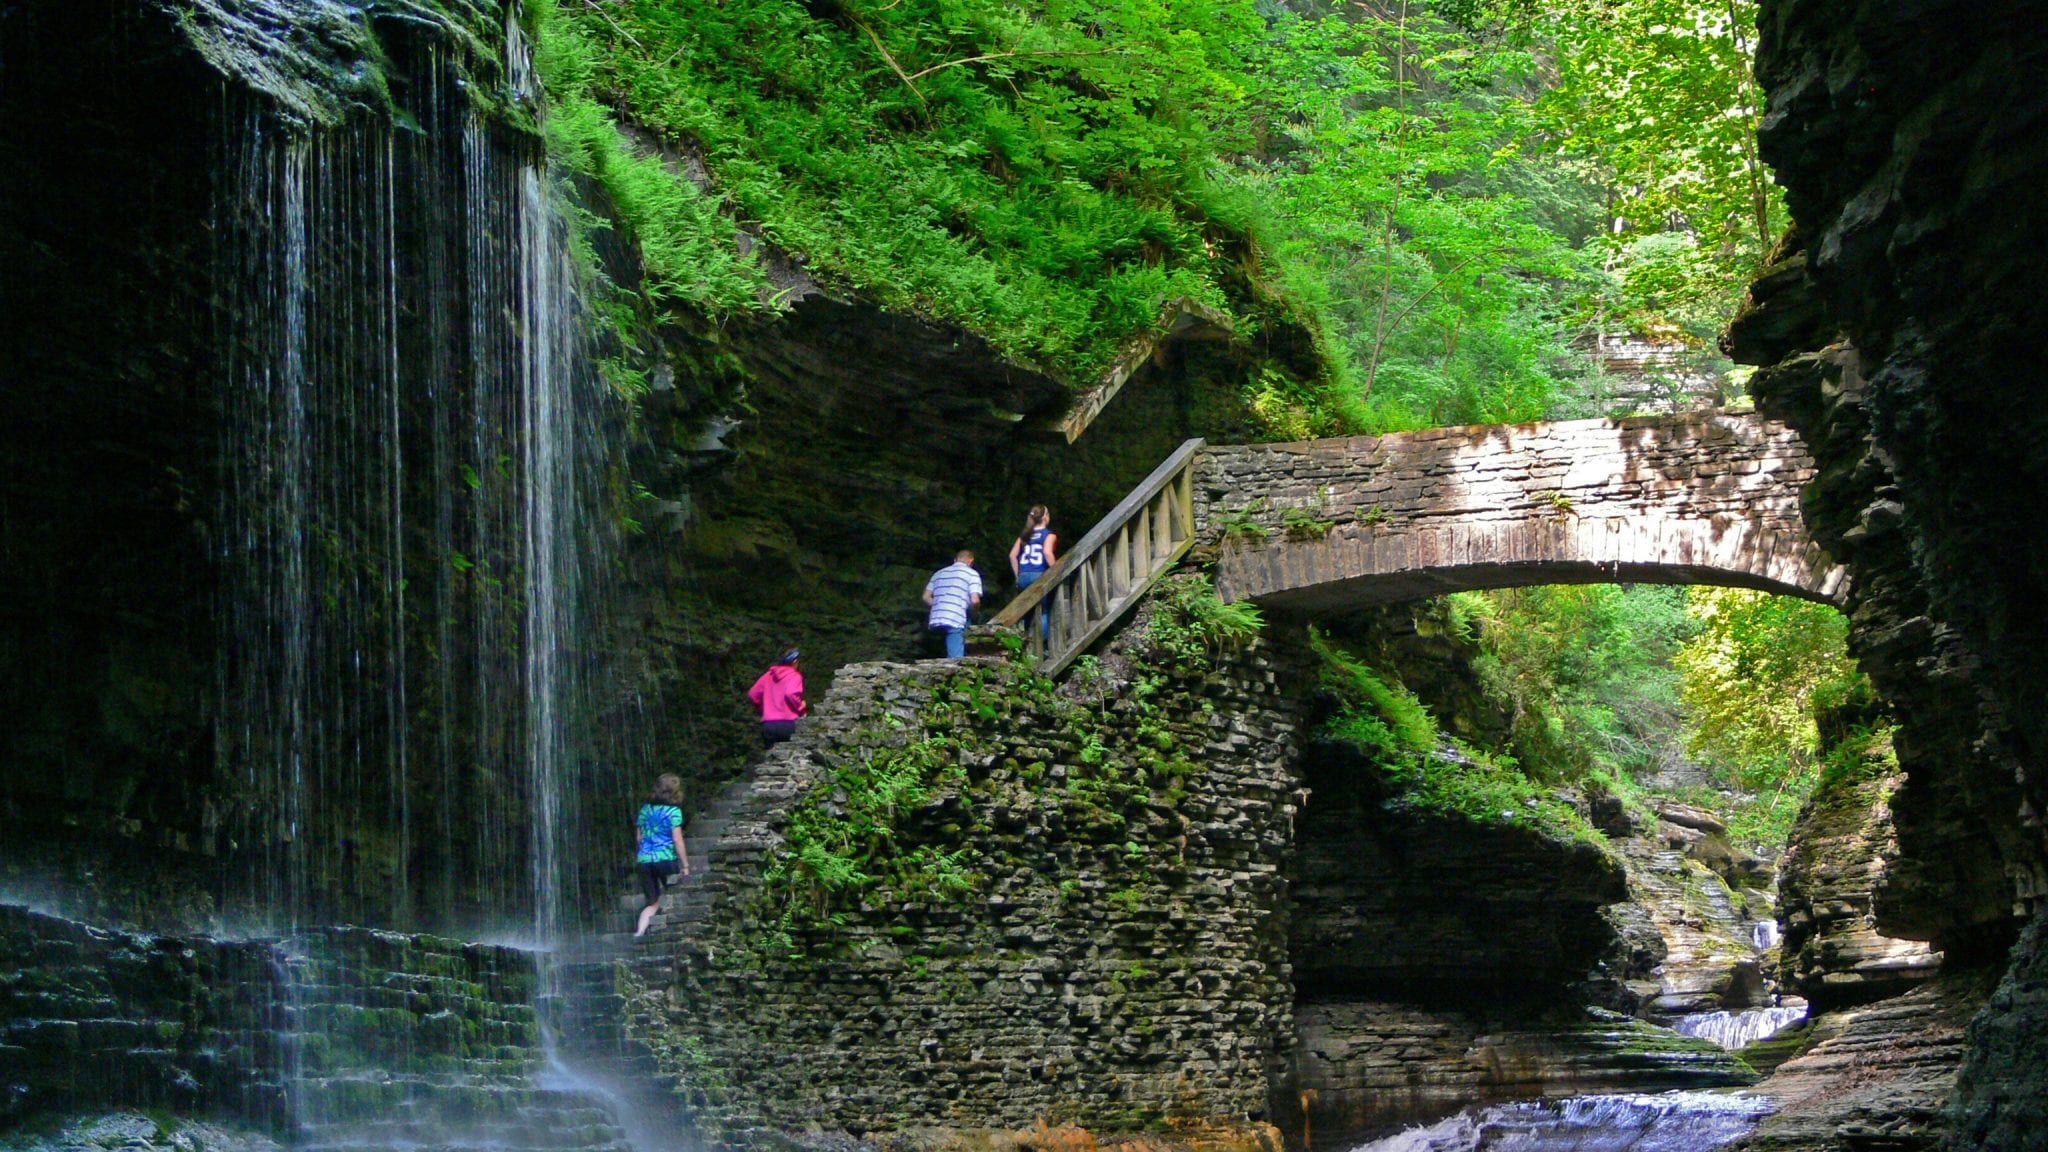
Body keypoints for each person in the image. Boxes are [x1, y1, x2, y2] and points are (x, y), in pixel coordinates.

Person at [633, 774, 689, 937]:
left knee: (652, 902)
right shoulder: (673, 812)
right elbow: (677, 839)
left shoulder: (644, 810)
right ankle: (673, 931)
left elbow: (639, 838)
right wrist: (685, 864)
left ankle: (640, 932)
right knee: (675, 894)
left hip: (644, 860)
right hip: (665, 859)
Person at [1008, 505, 1058, 643]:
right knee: (1044, 609)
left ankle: (1025, 641)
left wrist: (1018, 575)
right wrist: (1056, 570)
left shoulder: (1024, 535)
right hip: (1039, 575)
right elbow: (1047, 553)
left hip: (1024, 575)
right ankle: (1043, 644)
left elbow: (1012, 556)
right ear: (1045, 517)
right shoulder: (1049, 534)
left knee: (1027, 610)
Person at [922, 549, 983, 659]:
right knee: (962, 627)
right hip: (955, 617)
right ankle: (958, 661)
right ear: (971, 561)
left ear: (955, 560)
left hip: (936, 617)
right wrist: (975, 613)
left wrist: (939, 605)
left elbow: (926, 597)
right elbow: (975, 600)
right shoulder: (972, 573)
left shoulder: (939, 573)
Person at [748, 648, 807, 749]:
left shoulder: (768, 675)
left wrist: (763, 707)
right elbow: (791, 693)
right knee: (791, 758)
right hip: (788, 723)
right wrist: (801, 706)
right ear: (795, 662)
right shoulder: (794, 675)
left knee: (771, 759)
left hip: (768, 724)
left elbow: (753, 694)